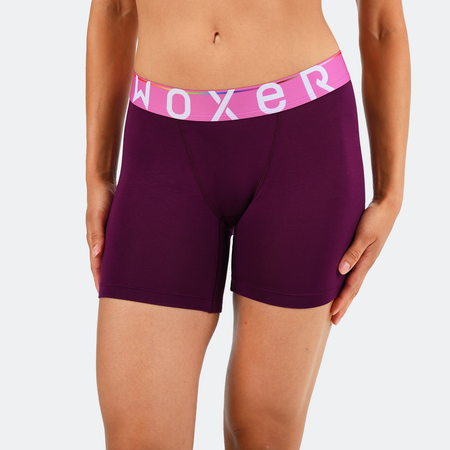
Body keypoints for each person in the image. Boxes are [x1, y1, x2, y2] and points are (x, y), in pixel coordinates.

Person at [85, 0, 410, 448]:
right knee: (137, 435)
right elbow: (116, 9)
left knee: (260, 430)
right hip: (161, 146)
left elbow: (381, 24)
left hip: (303, 138)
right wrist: (98, 174)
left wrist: (391, 195)